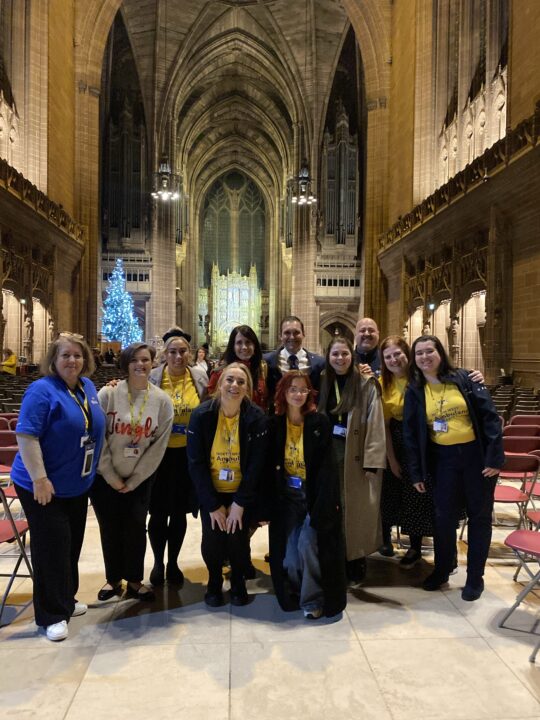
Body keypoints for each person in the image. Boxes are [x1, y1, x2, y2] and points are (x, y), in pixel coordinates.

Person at [11, 333, 106, 641]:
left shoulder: (87, 387)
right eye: (65, 355)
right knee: (51, 549)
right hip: (42, 485)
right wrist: (39, 478)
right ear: (53, 359)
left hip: (76, 484)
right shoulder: (41, 390)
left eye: (77, 356)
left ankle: (66, 598)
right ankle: (51, 614)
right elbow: (26, 437)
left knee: (70, 545)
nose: (72, 360)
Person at [403, 335, 504, 601]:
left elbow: (490, 418)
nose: (425, 357)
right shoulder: (415, 389)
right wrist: (416, 472)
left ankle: (475, 578)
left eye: (429, 351)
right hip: (443, 460)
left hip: (475, 458)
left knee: (479, 518)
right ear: (414, 360)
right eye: (419, 353)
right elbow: (411, 435)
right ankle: (443, 568)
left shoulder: (466, 378)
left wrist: (494, 459)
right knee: (443, 519)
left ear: (440, 353)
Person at [379, 335, 486, 565]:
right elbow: (385, 426)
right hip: (399, 440)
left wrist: (473, 375)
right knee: (405, 495)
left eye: (397, 354)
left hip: (429, 439)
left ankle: (434, 551)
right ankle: (403, 544)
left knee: (430, 497)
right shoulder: (382, 383)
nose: (394, 359)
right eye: (387, 356)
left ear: (407, 354)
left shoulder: (422, 376)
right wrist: (392, 459)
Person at [91, 342, 173, 602]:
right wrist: (112, 477)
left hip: (141, 479)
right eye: (135, 360)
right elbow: (98, 437)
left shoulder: (161, 400)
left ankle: (135, 580)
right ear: (126, 364)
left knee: (137, 528)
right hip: (105, 478)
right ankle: (113, 579)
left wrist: (136, 479)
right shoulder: (109, 393)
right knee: (110, 528)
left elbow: (158, 446)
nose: (141, 364)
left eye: (146, 360)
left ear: (153, 363)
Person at [187, 362, 268, 607]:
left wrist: (240, 503)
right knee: (212, 539)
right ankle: (214, 580)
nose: (235, 385)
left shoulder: (256, 417)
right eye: (230, 380)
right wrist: (212, 504)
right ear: (220, 384)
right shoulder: (202, 415)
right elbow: (196, 462)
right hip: (212, 491)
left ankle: (238, 581)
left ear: (248, 388)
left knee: (238, 539)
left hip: (240, 493)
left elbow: (256, 466)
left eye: (241, 382)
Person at [269, 371, 346, 619]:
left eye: (303, 390)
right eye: (293, 389)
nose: (298, 394)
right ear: (283, 392)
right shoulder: (275, 423)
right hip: (287, 499)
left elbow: (328, 468)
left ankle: (312, 599)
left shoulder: (319, 423)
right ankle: (294, 591)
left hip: (313, 496)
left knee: (308, 544)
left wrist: (326, 504)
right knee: (290, 556)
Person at [318, 336, 386, 583]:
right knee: (333, 509)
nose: (340, 358)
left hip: (355, 454)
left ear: (352, 355)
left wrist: (373, 460)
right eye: (335, 354)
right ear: (328, 356)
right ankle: (335, 557)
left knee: (355, 510)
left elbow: (375, 421)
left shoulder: (366, 383)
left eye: (344, 354)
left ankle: (356, 558)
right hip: (327, 455)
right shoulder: (323, 380)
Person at [147, 328, 208, 587]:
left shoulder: (199, 377)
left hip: (187, 456)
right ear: (165, 354)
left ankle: (173, 563)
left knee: (179, 513)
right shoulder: (152, 377)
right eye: (173, 352)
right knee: (158, 513)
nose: (178, 356)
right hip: (158, 455)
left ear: (190, 354)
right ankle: (158, 563)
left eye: (183, 351)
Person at [207, 325, 268, 411]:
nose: (244, 347)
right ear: (233, 347)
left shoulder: (261, 370)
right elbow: (211, 405)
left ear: (254, 346)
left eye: (248, 342)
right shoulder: (219, 374)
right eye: (239, 343)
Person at [264, 316, 325, 398]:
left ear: (303, 334)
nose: (292, 337)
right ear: (280, 336)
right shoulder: (266, 361)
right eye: (287, 333)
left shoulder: (320, 363)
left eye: (296, 332)